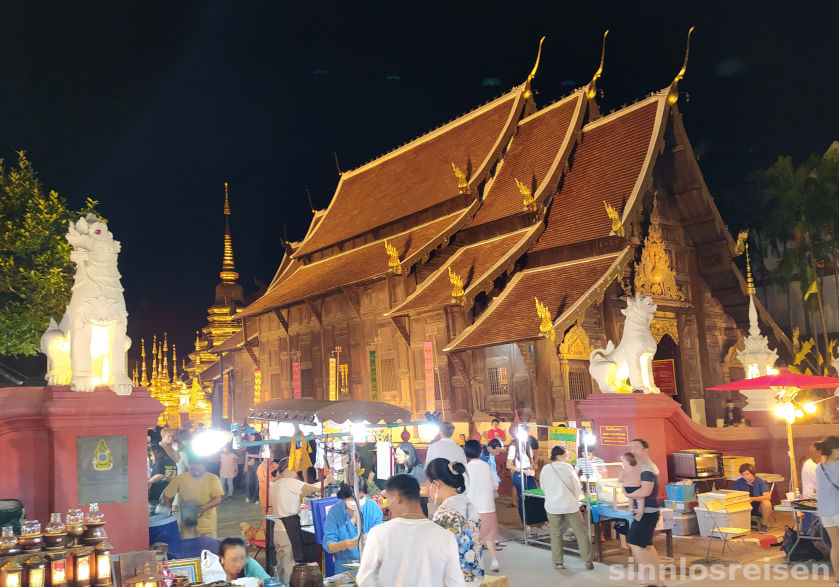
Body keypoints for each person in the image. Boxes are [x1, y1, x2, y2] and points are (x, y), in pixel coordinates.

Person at [356, 474, 464, 587]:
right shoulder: (445, 537)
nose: (387, 506)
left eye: (388, 500)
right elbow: (456, 583)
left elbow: (365, 580)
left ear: (396, 497)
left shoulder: (379, 534)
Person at [269, 457, 329, 585]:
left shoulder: (274, 484)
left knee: (280, 563)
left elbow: (298, 495)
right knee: (289, 565)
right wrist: (327, 480)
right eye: (294, 468)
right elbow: (314, 487)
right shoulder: (289, 482)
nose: (296, 471)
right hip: (288, 528)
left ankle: (279, 584)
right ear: (286, 470)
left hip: (278, 529)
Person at [425, 458, 482, 585]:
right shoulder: (468, 503)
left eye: (428, 484)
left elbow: (439, 556)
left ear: (436, 483)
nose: (429, 489)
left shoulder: (445, 513)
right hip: (474, 576)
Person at [539, 445, 593, 570]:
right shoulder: (568, 467)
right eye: (566, 455)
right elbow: (577, 486)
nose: (567, 457)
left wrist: (552, 495)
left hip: (552, 505)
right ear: (558, 456)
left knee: (556, 533)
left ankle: (558, 562)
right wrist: (576, 497)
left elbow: (543, 486)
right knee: (581, 532)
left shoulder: (546, 468)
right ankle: (588, 561)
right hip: (570, 505)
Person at [624, 438, 663, 587]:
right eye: (631, 447)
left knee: (635, 543)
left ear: (645, 450)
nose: (633, 450)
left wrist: (628, 495)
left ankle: (648, 579)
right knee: (646, 545)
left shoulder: (648, 468)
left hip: (647, 511)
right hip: (648, 511)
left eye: (636, 447)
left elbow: (646, 491)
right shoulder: (642, 467)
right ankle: (657, 581)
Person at [322, 479, 383, 575]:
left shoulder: (372, 507)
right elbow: (328, 545)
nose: (358, 502)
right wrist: (343, 545)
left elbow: (380, 534)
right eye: (353, 499)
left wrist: (372, 537)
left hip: (370, 567)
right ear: (344, 498)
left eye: (362, 497)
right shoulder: (335, 512)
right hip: (344, 570)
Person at [159, 459, 225, 538]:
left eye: (199, 467)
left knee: (208, 548)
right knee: (188, 547)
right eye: (193, 468)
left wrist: (203, 507)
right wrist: (166, 505)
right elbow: (165, 495)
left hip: (207, 524)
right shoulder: (180, 478)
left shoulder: (213, 478)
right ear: (189, 465)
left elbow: (217, 499)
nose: (196, 471)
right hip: (187, 522)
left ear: (205, 466)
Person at [464, 440, 499, 571]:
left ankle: (478, 563)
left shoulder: (466, 468)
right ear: (481, 451)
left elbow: (463, 488)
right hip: (488, 506)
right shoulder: (486, 466)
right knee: (489, 536)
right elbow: (495, 485)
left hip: (472, 508)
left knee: (474, 538)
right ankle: (495, 560)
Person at [506, 433, 547, 531]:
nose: (525, 438)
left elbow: (532, 462)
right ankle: (526, 524)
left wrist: (532, 468)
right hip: (519, 474)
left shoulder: (528, 447)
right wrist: (523, 470)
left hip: (528, 474)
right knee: (523, 499)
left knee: (535, 496)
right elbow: (508, 465)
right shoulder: (513, 448)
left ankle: (540, 522)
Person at [815, 435, 839, 583]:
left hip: (825, 513)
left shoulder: (819, 467)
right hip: (838, 509)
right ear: (834, 449)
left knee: (835, 545)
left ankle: (838, 576)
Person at [732, 463, 772, 532]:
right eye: (743, 474)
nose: (745, 476)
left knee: (767, 503)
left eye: (747, 474)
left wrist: (753, 498)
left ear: (753, 473)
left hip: (758, 506)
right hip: (745, 506)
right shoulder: (739, 482)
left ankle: (764, 526)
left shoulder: (760, 482)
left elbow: (767, 496)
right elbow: (734, 495)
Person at [394, 441, 428, 516]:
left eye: (399, 454)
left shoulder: (418, 469)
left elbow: (425, 492)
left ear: (408, 455)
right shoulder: (399, 467)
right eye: (396, 454)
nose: (397, 457)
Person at [618, 451, 644, 522]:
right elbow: (642, 476)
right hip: (637, 487)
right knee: (640, 500)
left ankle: (631, 510)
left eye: (623, 461)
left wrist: (622, 484)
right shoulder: (637, 469)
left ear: (627, 461)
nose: (622, 463)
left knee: (630, 499)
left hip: (627, 488)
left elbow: (620, 480)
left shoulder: (624, 470)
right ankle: (640, 512)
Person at [245, 433, 261, 503]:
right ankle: (248, 496)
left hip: (257, 464)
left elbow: (260, 455)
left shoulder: (260, 444)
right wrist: (245, 466)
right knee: (248, 481)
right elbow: (246, 456)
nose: (250, 436)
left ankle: (256, 498)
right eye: (250, 435)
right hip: (249, 463)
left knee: (257, 482)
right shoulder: (249, 445)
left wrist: (249, 455)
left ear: (256, 437)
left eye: (252, 435)